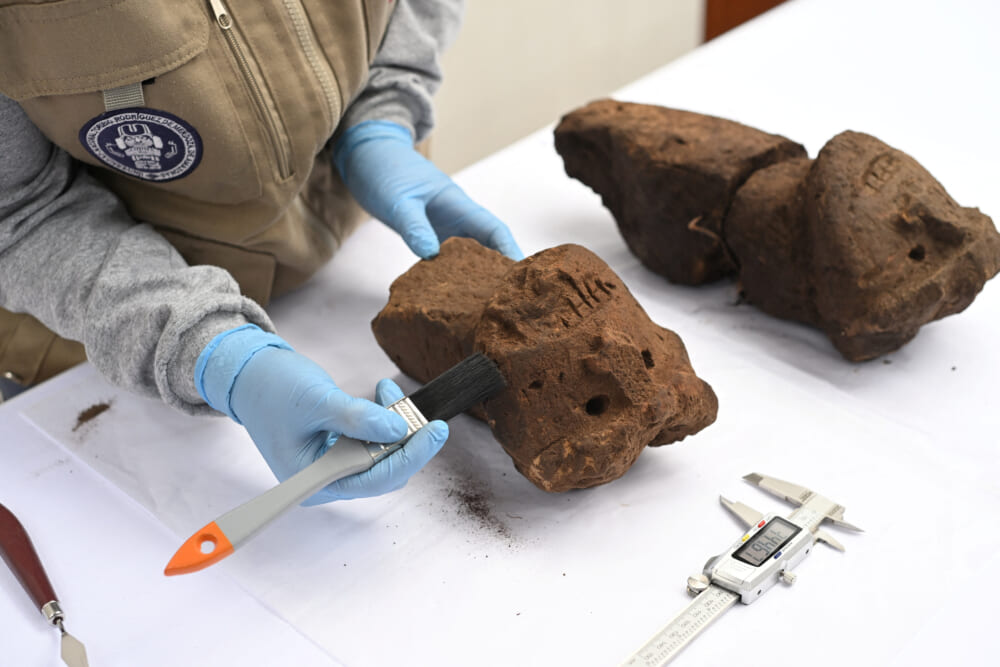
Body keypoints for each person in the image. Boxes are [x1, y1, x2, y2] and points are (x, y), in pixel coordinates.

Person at [0, 0, 522, 504]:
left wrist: (385, 112)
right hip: (98, 357)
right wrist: (218, 357)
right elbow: (19, 212)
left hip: (351, 256)